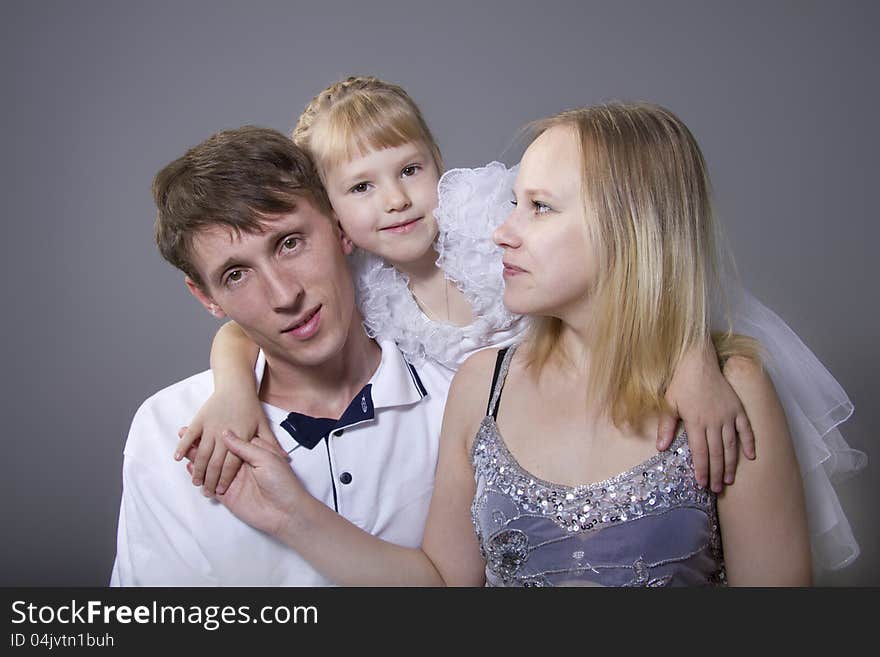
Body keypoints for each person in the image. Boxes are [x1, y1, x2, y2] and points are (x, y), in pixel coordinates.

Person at [181, 77, 864, 572]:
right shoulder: (377, 297)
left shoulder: (478, 226)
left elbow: (647, 262)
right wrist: (232, 387)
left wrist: (689, 356)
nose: (395, 200)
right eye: (361, 188)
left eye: (411, 170)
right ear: (336, 226)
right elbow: (267, 314)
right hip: (474, 453)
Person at [110, 126, 451, 585]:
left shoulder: (456, 403)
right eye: (235, 275)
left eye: (290, 243)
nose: (284, 294)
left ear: (339, 227)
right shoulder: (164, 430)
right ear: (205, 297)